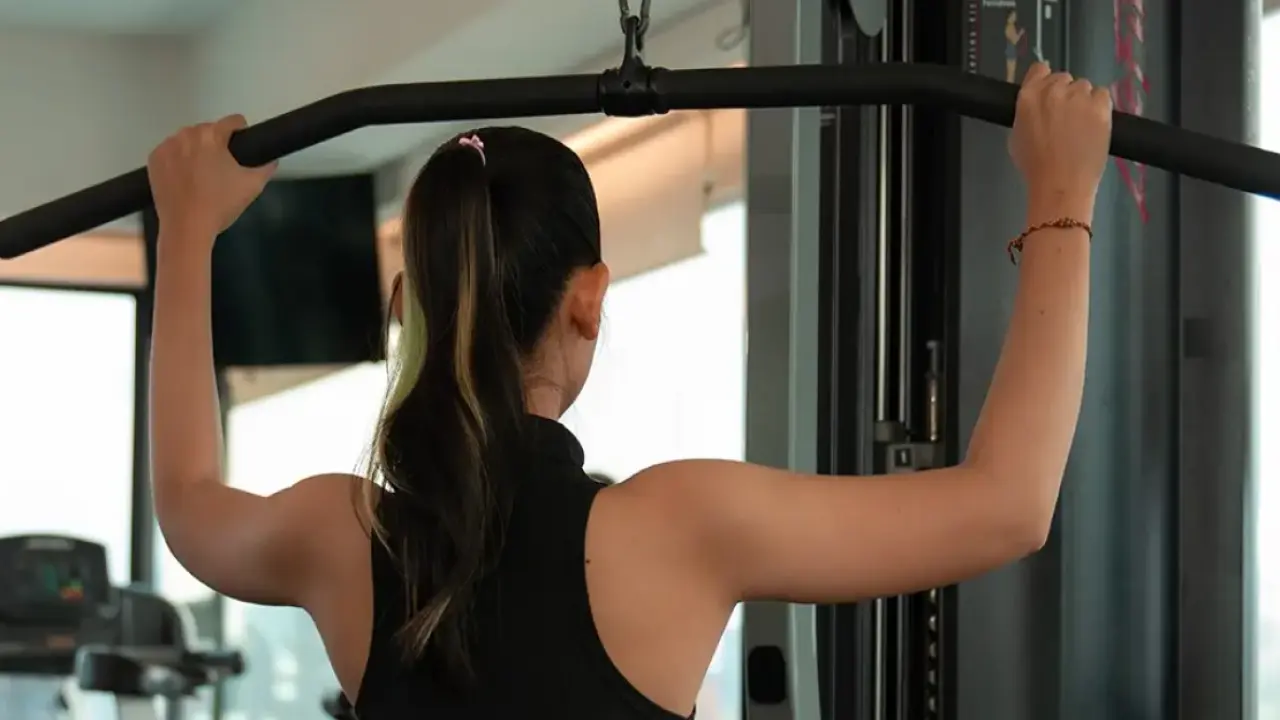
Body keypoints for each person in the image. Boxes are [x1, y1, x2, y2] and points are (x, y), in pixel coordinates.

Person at [144, 62, 1110, 719]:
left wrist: (185, 231)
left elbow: (186, 500)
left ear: (411, 305)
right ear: (589, 299)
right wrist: (1062, 195)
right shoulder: (681, 525)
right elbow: (1008, 505)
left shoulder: (338, 536)